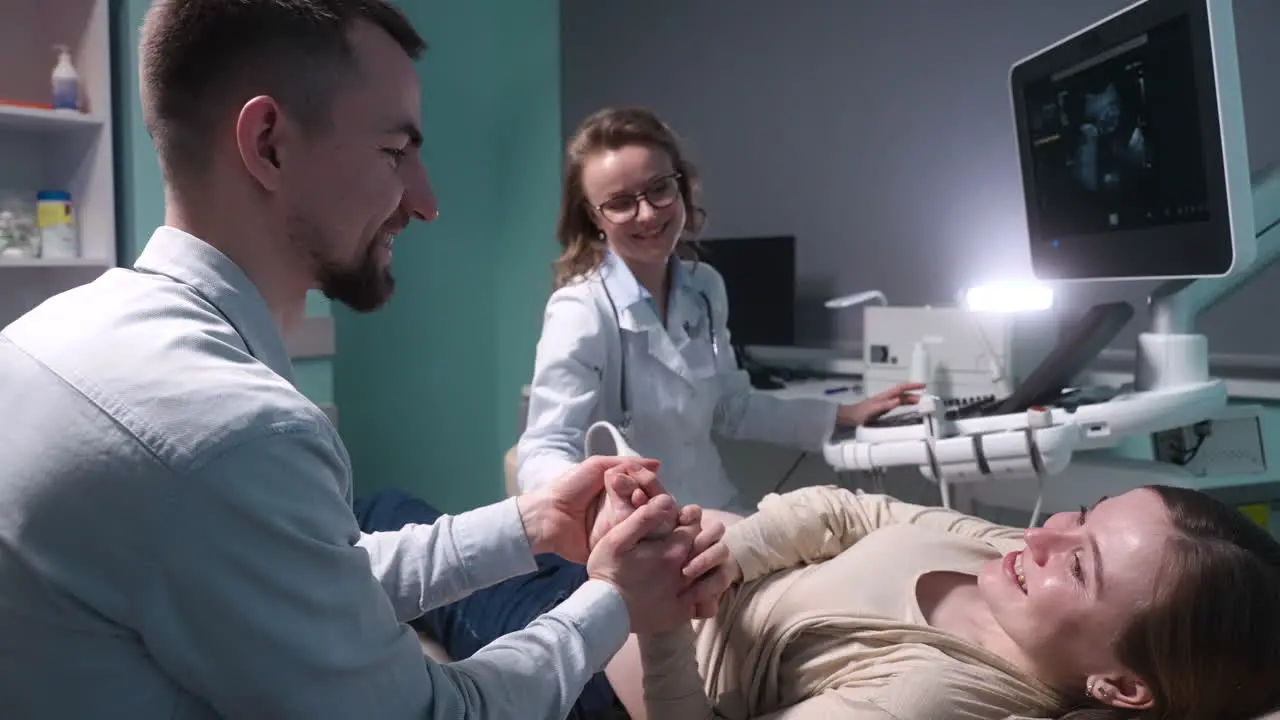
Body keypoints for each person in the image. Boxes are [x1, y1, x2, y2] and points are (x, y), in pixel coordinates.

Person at [0, 2, 731, 718]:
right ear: (269, 144)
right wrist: (611, 601)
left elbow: (311, 582)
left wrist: (530, 522)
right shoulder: (236, 432)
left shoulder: (44, 334)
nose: (426, 200)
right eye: (394, 152)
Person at [417, 481, 1280, 720]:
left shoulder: (932, 695)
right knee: (410, 523)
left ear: (1121, 687)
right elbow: (845, 511)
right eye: (1082, 513)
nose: (1044, 536)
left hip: (603, 670)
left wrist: (660, 615)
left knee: (386, 528)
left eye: (1080, 565)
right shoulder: (1007, 556)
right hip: (635, 585)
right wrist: (716, 557)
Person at [514, 106, 921, 513]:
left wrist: (844, 414)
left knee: (853, 525)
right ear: (593, 215)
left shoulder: (704, 287)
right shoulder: (581, 310)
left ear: (681, 186)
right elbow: (545, 447)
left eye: (659, 188)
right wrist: (601, 512)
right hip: (640, 532)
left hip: (716, 509)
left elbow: (733, 406)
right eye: (620, 202)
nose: (648, 213)